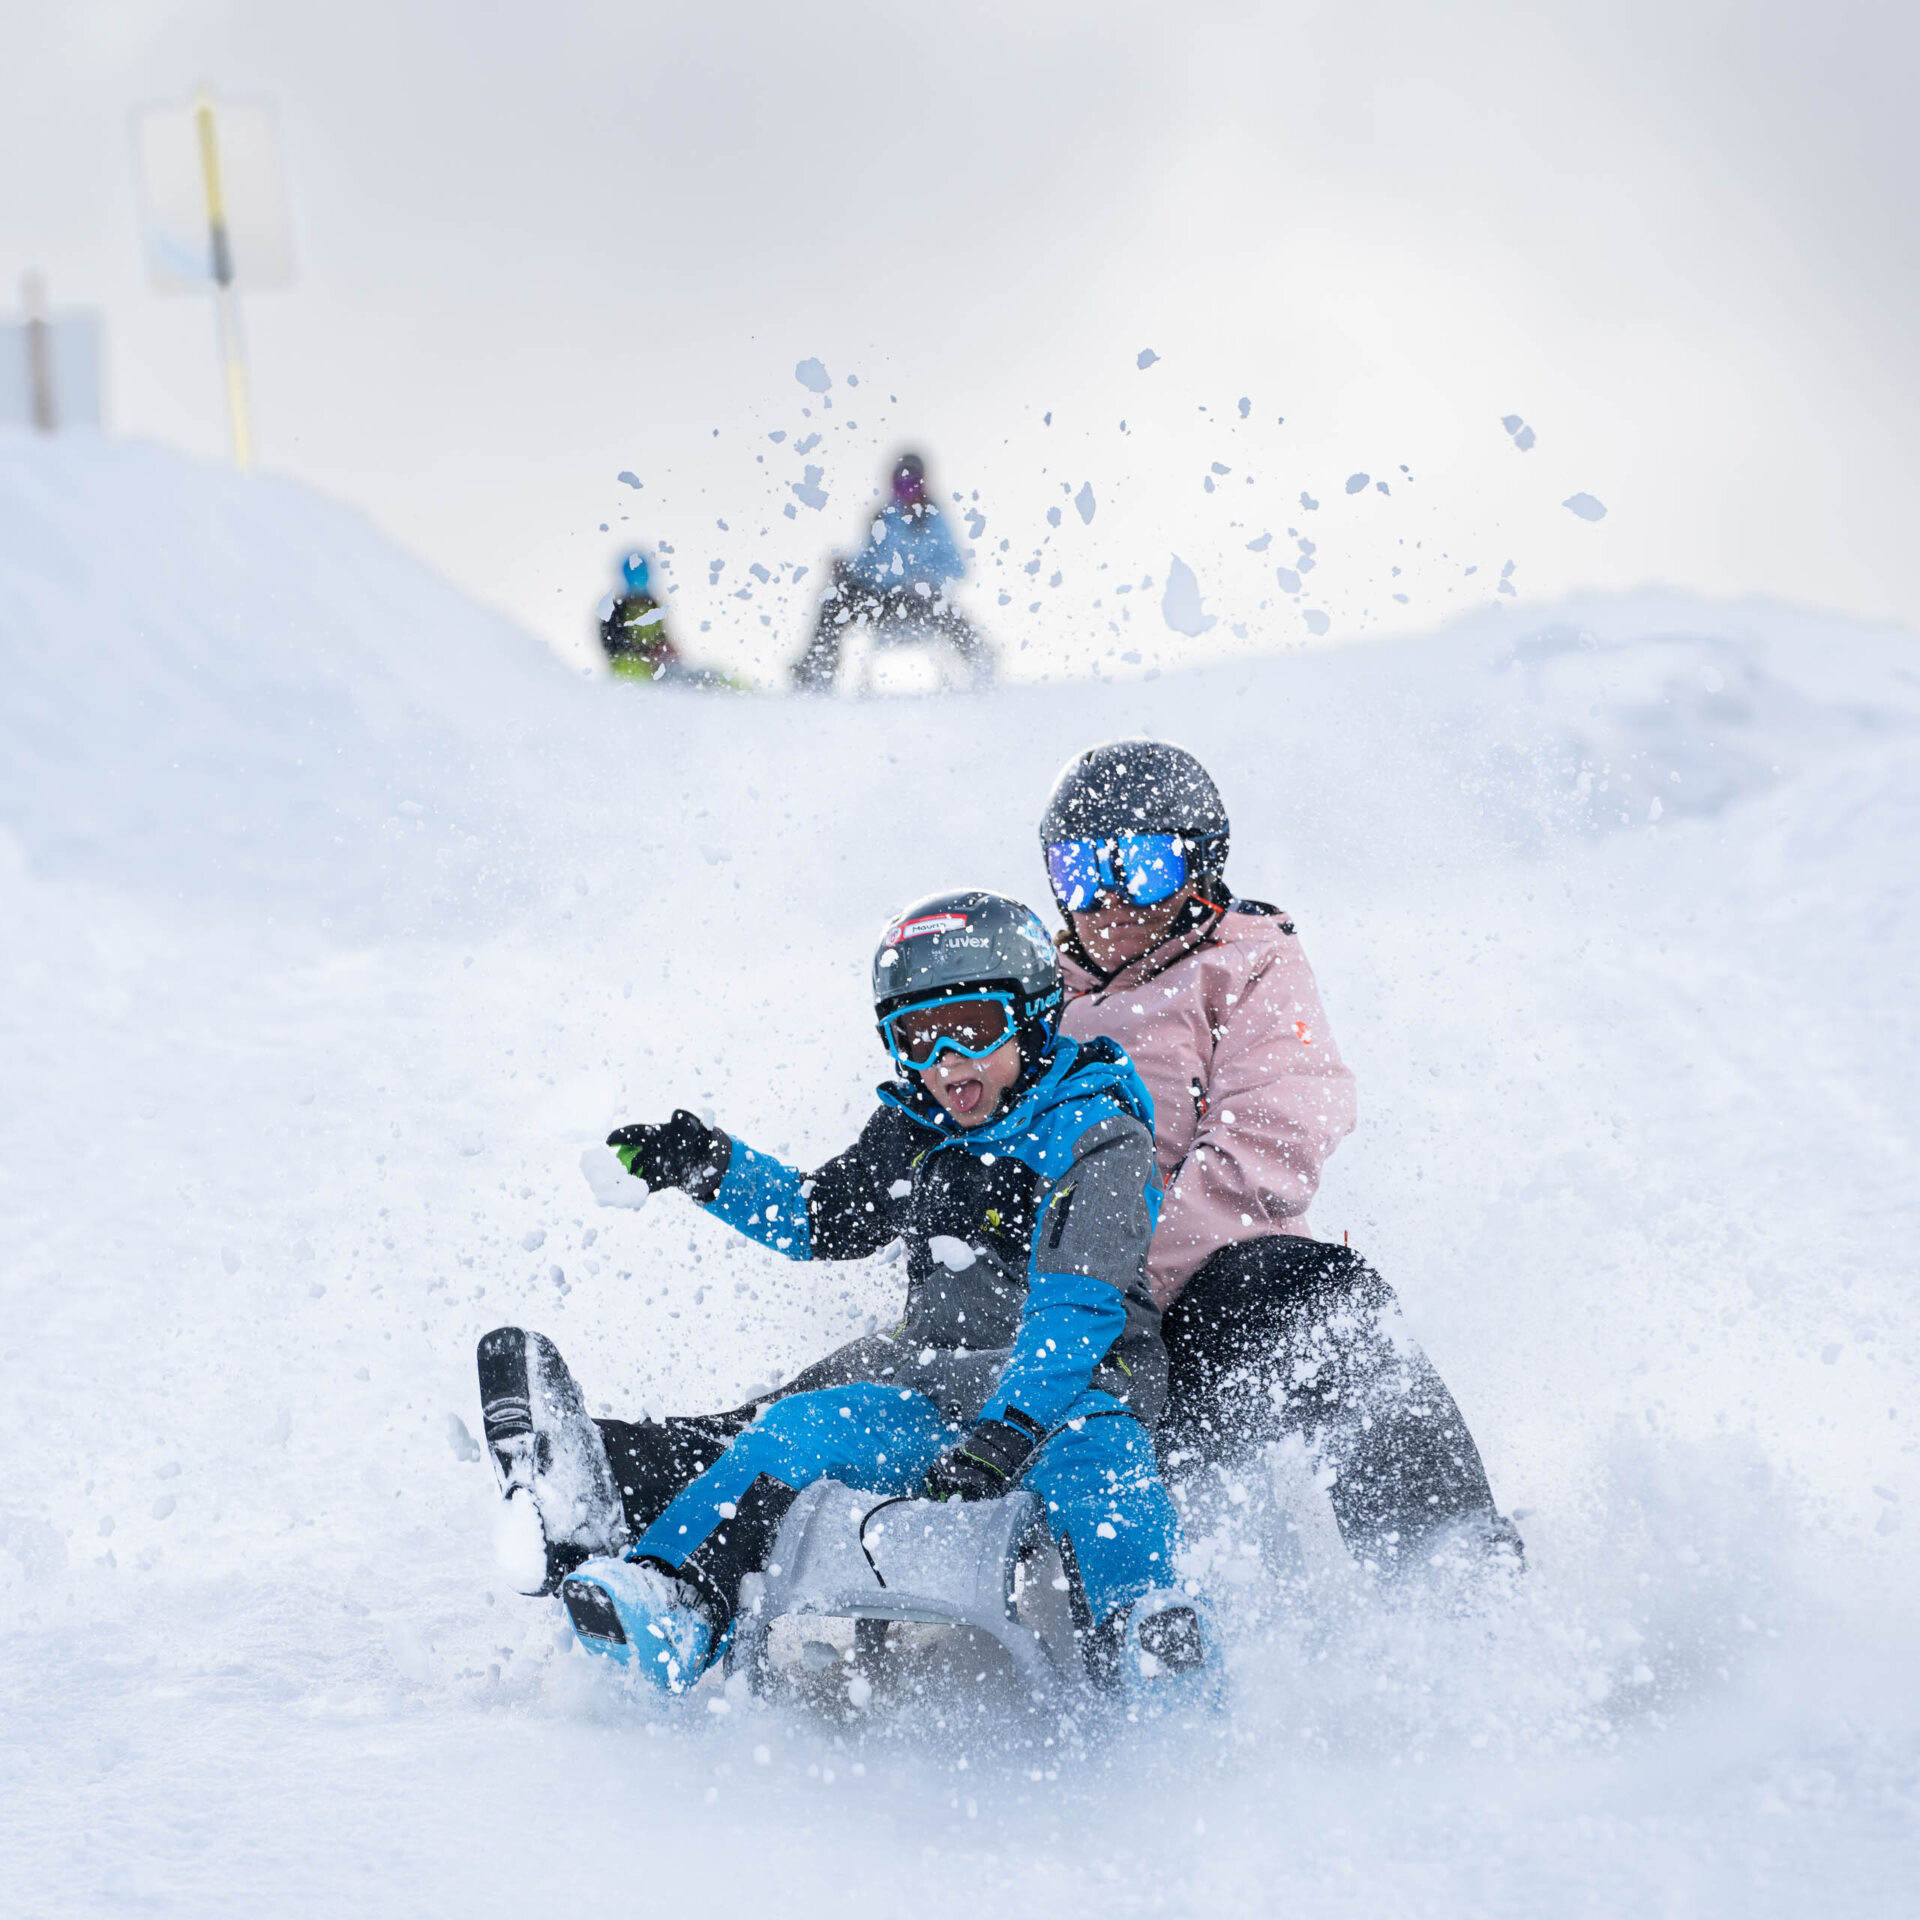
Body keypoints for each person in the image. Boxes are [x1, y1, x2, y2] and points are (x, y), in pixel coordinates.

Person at [477, 889, 1214, 1698]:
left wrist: (1011, 1427)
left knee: (1101, 1470)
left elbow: (1076, 1305)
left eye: (972, 1028)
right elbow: (820, 1217)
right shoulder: (918, 1129)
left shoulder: (1094, 1132)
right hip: (938, 1391)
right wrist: (706, 1165)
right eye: (915, 1037)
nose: (945, 1064)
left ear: (1035, 1014)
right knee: (794, 1427)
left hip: (1079, 1389)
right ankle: (676, 1596)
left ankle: (1148, 1634)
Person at [1038, 740, 1522, 1581]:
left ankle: (1447, 1566)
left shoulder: (1247, 964)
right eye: (1081, 871)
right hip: (1049, 1314)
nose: (1109, 900)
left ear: (1199, 870)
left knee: (1315, 1297)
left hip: (1193, 1301)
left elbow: (1268, 1138)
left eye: (1142, 866)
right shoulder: (1030, 990)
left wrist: (1118, 1280)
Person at [789, 452, 993, 693]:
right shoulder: (883, 517)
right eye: (900, 483)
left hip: (921, 599)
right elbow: (868, 564)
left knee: (951, 616)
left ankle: (984, 671)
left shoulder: (935, 519)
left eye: (912, 483)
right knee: (834, 601)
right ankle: (816, 674)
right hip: (882, 599)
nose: (906, 490)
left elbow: (956, 567)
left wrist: (928, 579)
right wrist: (847, 568)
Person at [598, 551, 683, 681]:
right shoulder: (615, 609)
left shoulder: (653, 605)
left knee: (680, 674)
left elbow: (662, 636)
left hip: (656, 666)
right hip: (628, 668)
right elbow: (612, 643)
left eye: (642, 574)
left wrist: (667, 649)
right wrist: (644, 653)